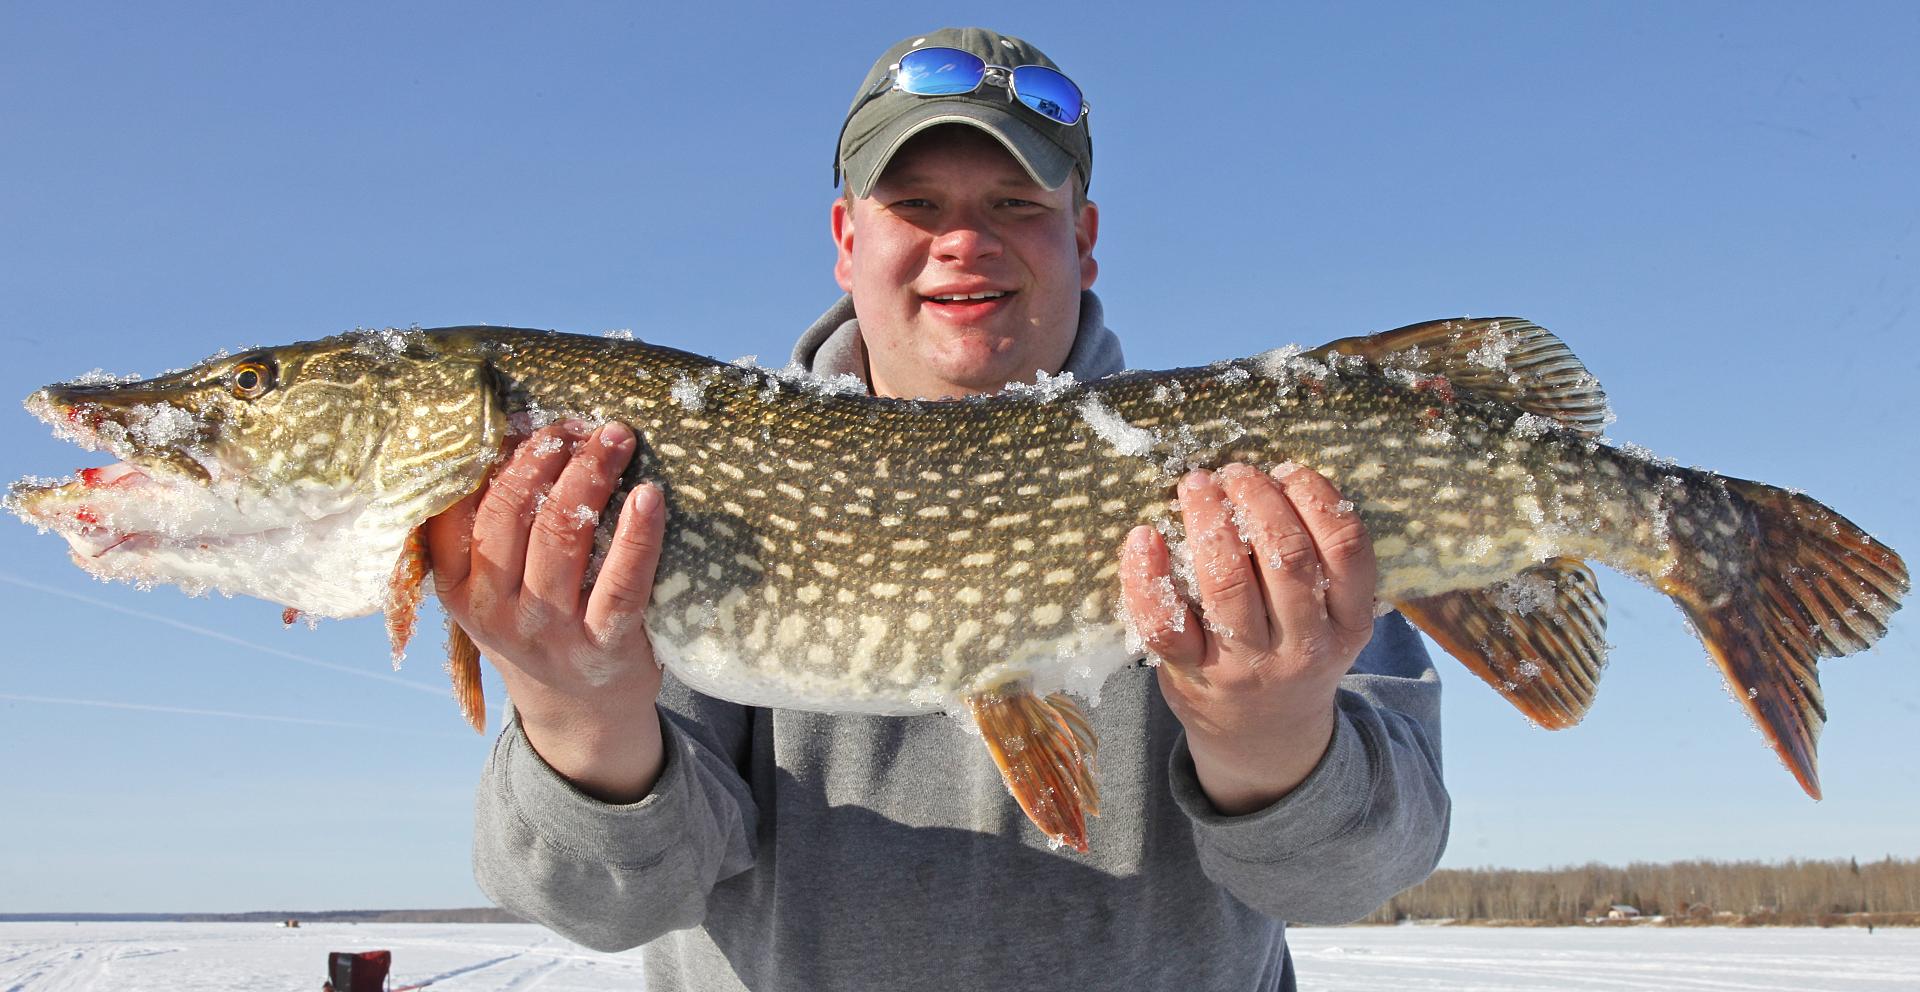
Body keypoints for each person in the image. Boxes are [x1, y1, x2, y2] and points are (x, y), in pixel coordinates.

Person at [427, 27, 1449, 991]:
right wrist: (578, 714)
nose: (964, 240)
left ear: (1083, 239)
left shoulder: (1250, 479)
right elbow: (610, 905)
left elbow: (1351, 878)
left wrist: (1270, 736)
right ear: (846, 238)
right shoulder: (656, 482)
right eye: (916, 204)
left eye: (1015, 204)